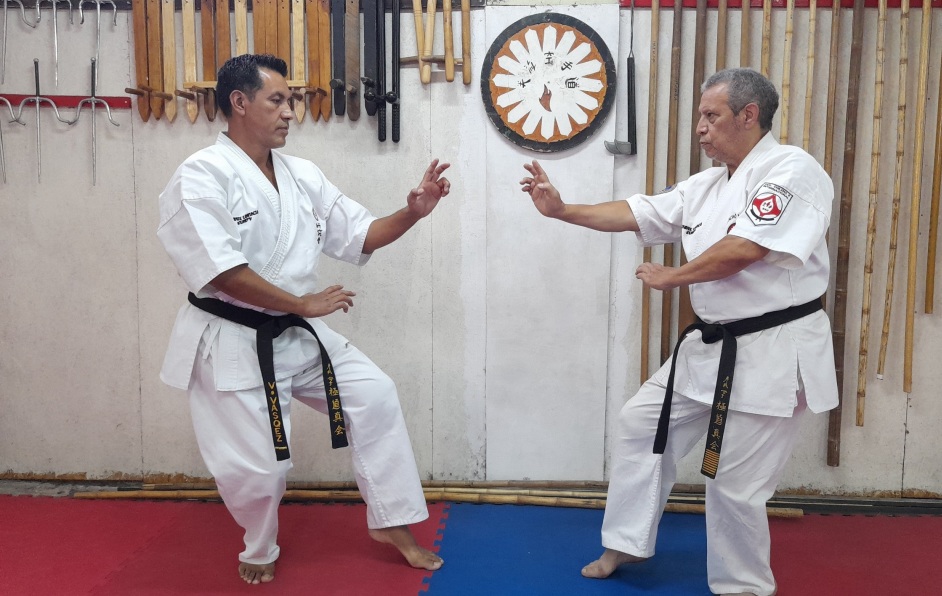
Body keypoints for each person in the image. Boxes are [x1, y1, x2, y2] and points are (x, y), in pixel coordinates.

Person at [519, 68, 837, 596]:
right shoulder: (708, 184)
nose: (700, 128)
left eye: (711, 116)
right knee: (642, 424)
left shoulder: (791, 169)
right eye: (699, 117)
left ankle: (744, 587)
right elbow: (638, 211)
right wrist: (563, 210)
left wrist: (675, 276)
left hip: (775, 351)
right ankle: (627, 541)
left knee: (734, 485)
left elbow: (746, 247)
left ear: (749, 115)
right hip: (711, 346)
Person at [156, 54, 450, 585]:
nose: (290, 112)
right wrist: (303, 304)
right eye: (278, 100)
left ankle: (390, 521)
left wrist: (413, 211)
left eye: (290, 101)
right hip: (234, 339)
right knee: (263, 469)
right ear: (239, 102)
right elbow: (220, 272)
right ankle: (259, 546)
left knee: (375, 394)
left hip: (296, 332)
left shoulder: (301, 175)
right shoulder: (200, 176)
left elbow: (360, 234)